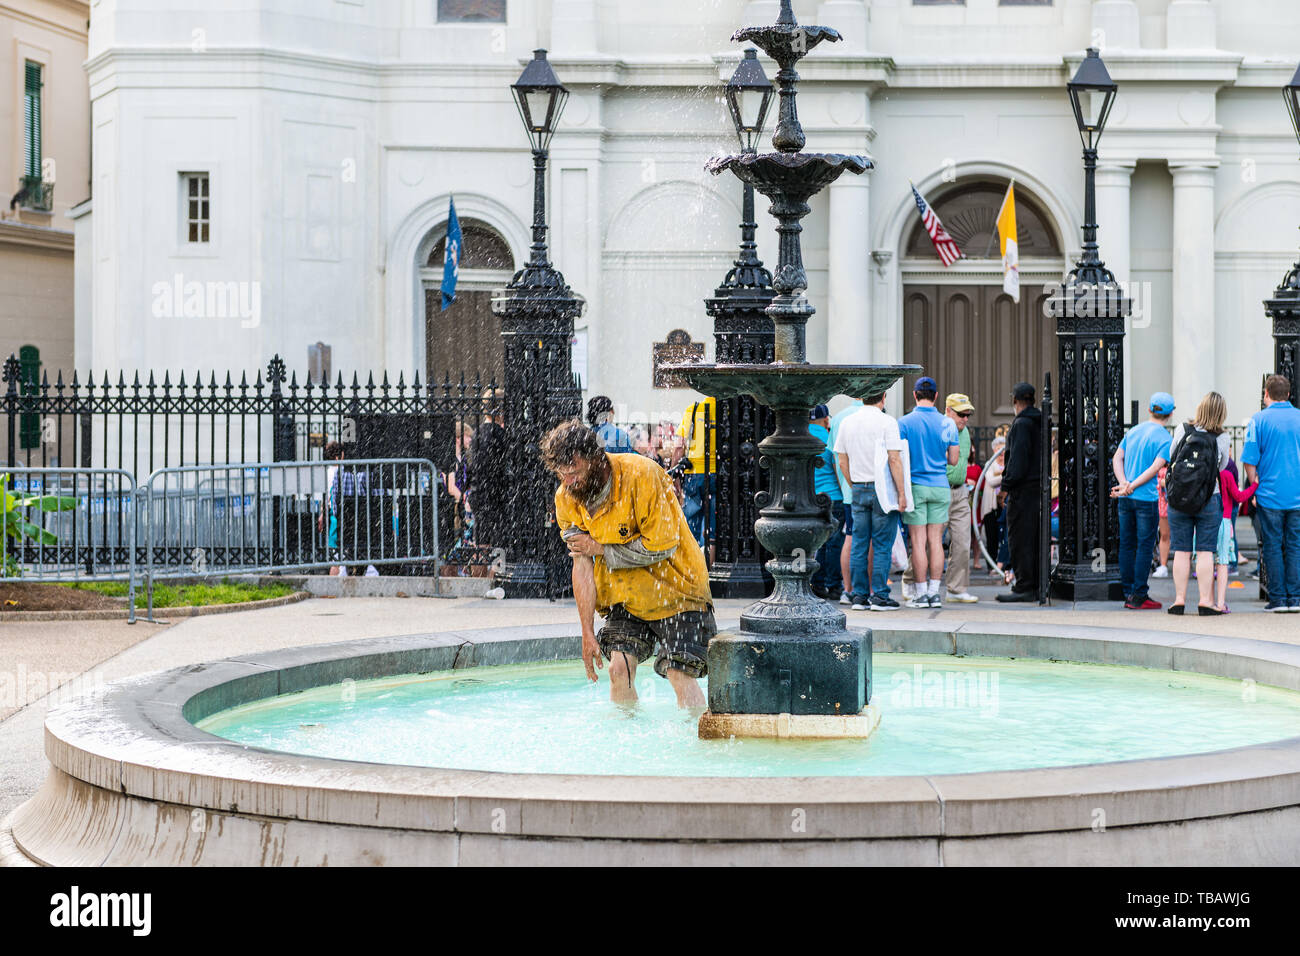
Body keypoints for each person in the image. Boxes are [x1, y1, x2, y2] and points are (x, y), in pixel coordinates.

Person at [543, 419, 715, 707]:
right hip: (627, 596)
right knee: (618, 670)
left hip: (678, 589)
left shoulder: (643, 475)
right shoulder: (567, 498)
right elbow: (582, 565)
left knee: (679, 672)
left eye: (575, 472)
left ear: (596, 458)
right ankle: (625, 737)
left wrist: (599, 547)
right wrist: (586, 632)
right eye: (562, 474)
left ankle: (698, 740)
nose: (569, 481)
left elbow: (660, 546)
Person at [834, 389, 908, 611]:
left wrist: (853, 482)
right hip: (882, 489)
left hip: (858, 487)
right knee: (882, 544)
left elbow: (841, 459)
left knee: (859, 542)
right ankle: (880, 596)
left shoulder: (847, 422)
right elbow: (894, 460)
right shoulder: (887, 422)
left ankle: (859, 595)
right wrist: (902, 493)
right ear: (884, 397)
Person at [1165, 392, 1232, 616]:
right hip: (1208, 498)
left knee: (1182, 551)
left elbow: (1172, 456)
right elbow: (1220, 468)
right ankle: (1205, 601)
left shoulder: (1183, 429)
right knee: (1205, 551)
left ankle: (1179, 600)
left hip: (1179, 498)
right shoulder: (1222, 437)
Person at [897, 377, 960, 608]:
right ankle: (935, 592)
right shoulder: (948, 424)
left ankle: (920, 593)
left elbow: (898, 458)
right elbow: (953, 460)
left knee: (918, 542)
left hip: (915, 486)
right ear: (935, 396)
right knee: (936, 541)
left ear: (914, 395)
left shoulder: (904, 423)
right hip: (940, 486)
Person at [1110, 392, 1175, 610]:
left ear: (1149, 409)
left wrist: (1124, 483)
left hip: (1126, 497)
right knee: (1145, 546)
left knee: (1127, 544)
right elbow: (1156, 467)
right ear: (1170, 414)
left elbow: (1116, 457)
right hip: (1146, 498)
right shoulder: (1165, 438)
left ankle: (1128, 592)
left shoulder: (1134, 431)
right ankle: (1139, 594)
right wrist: (1132, 486)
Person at [1242, 374, 1300, 612]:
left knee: (1273, 546)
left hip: (1269, 494)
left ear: (1266, 393)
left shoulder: (1258, 420)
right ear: (1288, 394)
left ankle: (1278, 599)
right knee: (1295, 546)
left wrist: (1254, 485)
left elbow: (1249, 459)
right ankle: (1295, 597)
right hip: (1297, 495)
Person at [996, 382, 1042, 602]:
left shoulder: (1022, 424)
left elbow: (1017, 460)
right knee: (1033, 538)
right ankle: (1034, 582)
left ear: (1015, 401)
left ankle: (1025, 585)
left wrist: (1005, 487)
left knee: (1020, 539)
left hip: (1023, 491)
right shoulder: (1040, 421)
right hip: (1036, 489)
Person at [942, 393, 978, 603]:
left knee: (963, 542)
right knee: (929, 543)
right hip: (941, 490)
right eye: (961, 414)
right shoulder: (939, 428)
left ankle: (956, 588)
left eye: (968, 415)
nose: (965, 419)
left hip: (960, 491)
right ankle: (912, 581)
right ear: (948, 411)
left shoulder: (964, 433)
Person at [828, 398, 865, 606]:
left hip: (849, 491)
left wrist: (846, 483)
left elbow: (836, 459)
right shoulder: (878, 416)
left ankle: (848, 589)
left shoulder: (840, 418)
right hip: (871, 488)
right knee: (869, 542)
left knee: (849, 539)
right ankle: (866, 590)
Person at [808, 404, 845, 602]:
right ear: (826, 420)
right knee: (834, 543)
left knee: (819, 543)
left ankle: (818, 583)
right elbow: (837, 466)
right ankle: (834, 585)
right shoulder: (829, 438)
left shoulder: (801, 439)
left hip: (810, 498)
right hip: (833, 497)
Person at [467, 387, 508, 551]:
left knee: (481, 544)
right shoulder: (500, 434)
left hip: (479, 492)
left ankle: (479, 575)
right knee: (499, 546)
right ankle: (495, 576)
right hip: (496, 494)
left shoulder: (476, 432)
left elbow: (471, 465)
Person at [1214, 461, 1258, 613]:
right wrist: (1254, 486)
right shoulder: (1226, 474)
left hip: (1204, 521)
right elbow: (1239, 497)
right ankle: (1220, 603)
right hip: (1224, 520)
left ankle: (1205, 600)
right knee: (1223, 561)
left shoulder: (1205, 473)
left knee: (1204, 559)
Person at [677, 396, 718, 551]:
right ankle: (711, 570)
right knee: (713, 531)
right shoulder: (725, 411)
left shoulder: (694, 409)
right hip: (718, 475)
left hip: (694, 475)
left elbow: (680, 445)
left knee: (691, 527)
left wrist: (674, 470)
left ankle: (692, 571)